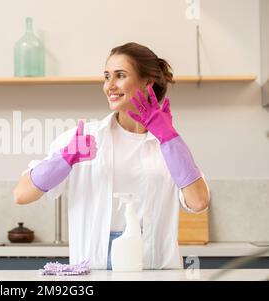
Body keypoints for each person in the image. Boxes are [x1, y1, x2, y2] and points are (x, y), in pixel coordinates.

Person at [13, 42, 210, 269]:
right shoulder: (82, 138)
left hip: (157, 271)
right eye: (107, 77)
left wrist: (169, 138)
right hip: (93, 271)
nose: (110, 86)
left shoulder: (169, 146)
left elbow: (198, 202)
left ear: (147, 82)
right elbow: (21, 194)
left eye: (120, 75)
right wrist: (65, 159)